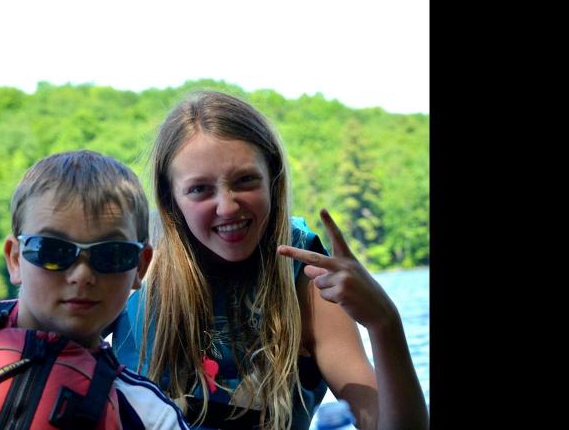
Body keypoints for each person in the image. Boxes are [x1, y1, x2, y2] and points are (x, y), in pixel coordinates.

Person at [111, 92, 428, 429]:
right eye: (200, 189)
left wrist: (384, 323)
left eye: (245, 180)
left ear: (273, 179)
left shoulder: (305, 277)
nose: (228, 206)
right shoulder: (132, 273)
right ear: (170, 199)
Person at [0, 150, 190, 430]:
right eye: (52, 250)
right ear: (15, 259)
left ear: (140, 266)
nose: (82, 275)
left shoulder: (148, 416)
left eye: (112, 254)